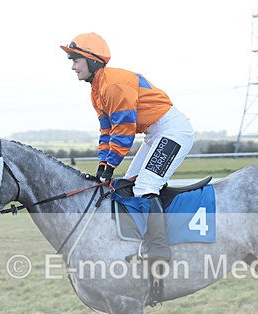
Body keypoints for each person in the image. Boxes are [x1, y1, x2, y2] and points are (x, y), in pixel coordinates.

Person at [61, 32, 194, 264]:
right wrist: (103, 163)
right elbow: (107, 130)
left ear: (92, 61)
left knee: (145, 186)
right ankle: (141, 240)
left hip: (172, 130)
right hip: (155, 133)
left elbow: (124, 130)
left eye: (75, 60)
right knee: (129, 184)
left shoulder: (113, 85)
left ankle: (159, 250)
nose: (73, 66)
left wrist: (111, 164)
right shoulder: (97, 89)